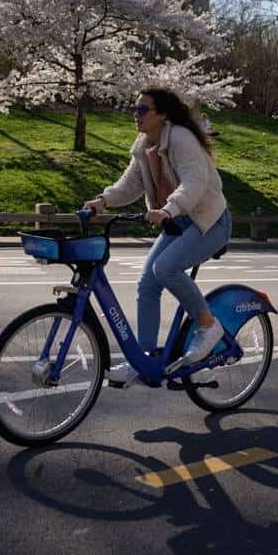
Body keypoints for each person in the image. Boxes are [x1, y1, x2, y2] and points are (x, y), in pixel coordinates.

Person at [83, 88, 232, 388]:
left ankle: (209, 327)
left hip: (209, 221)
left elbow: (195, 182)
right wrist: (103, 200)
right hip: (178, 221)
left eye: (142, 109)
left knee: (164, 269)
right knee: (147, 284)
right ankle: (144, 359)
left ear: (161, 114)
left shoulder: (180, 138)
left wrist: (167, 209)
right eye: (134, 108)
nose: (135, 114)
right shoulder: (143, 145)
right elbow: (130, 184)